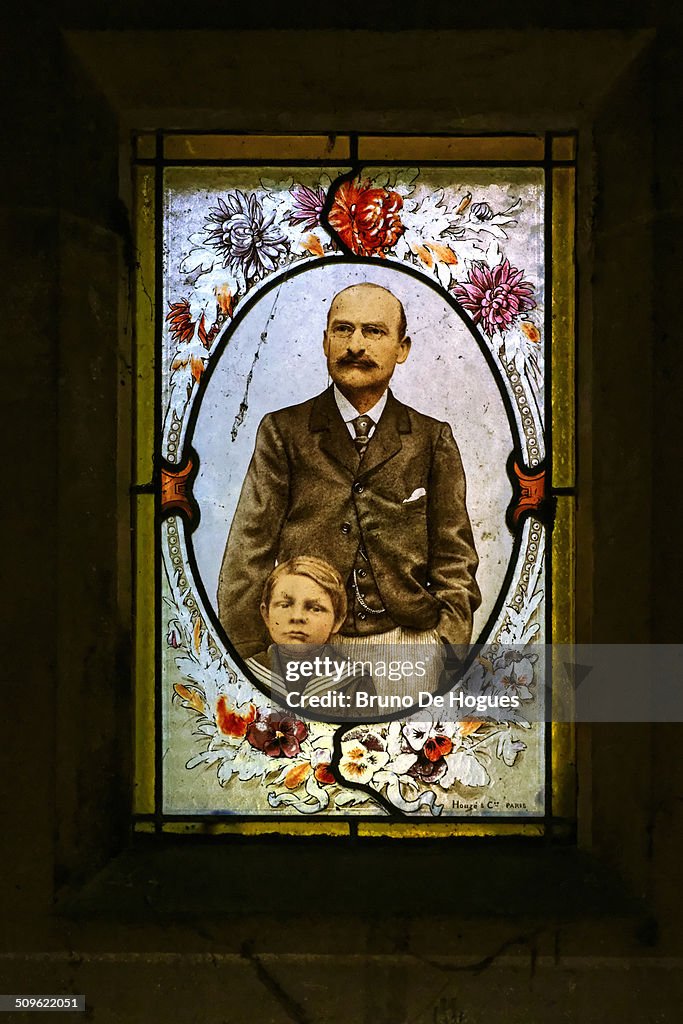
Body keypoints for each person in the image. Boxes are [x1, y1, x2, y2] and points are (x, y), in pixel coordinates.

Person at [218, 282, 481, 676]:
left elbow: (454, 557)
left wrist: (447, 647)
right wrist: (252, 658)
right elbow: (249, 549)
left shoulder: (431, 438)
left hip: (407, 644)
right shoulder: (284, 431)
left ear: (402, 348)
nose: (355, 345)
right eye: (343, 330)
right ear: (325, 342)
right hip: (308, 648)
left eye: (373, 331)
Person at [246, 555, 375, 709]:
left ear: (338, 621)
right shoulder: (246, 672)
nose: (297, 617)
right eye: (285, 605)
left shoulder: (355, 682)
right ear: (266, 614)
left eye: (315, 608)